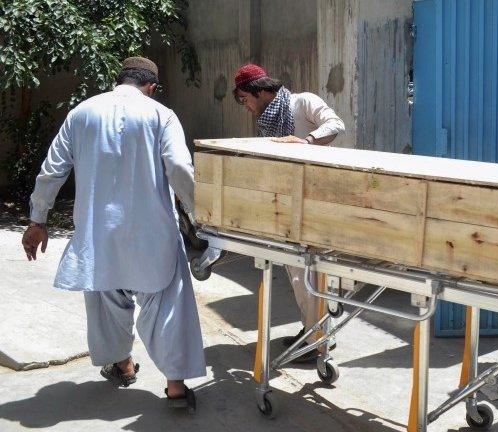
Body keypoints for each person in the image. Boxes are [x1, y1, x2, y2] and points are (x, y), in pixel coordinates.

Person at [21, 57, 205, 412]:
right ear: (151, 85)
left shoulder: (82, 113)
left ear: (118, 80)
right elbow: (180, 167)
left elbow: (53, 168)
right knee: (168, 304)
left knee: (107, 303)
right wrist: (201, 215)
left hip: (99, 235)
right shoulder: (160, 115)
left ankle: (121, 364)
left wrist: (37, 219)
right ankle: (176, 389)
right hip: (153, 233)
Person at [232, 63, 345, 363]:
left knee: (313, 272)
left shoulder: (302, 102)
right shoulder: (267, 122)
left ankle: (320, 338)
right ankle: (311, 331)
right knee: (295, 272)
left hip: (316, 201)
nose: (245, 107)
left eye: (246, 99)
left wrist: (305, 142)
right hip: (285, 204)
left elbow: (336, 125)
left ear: (261, 91)